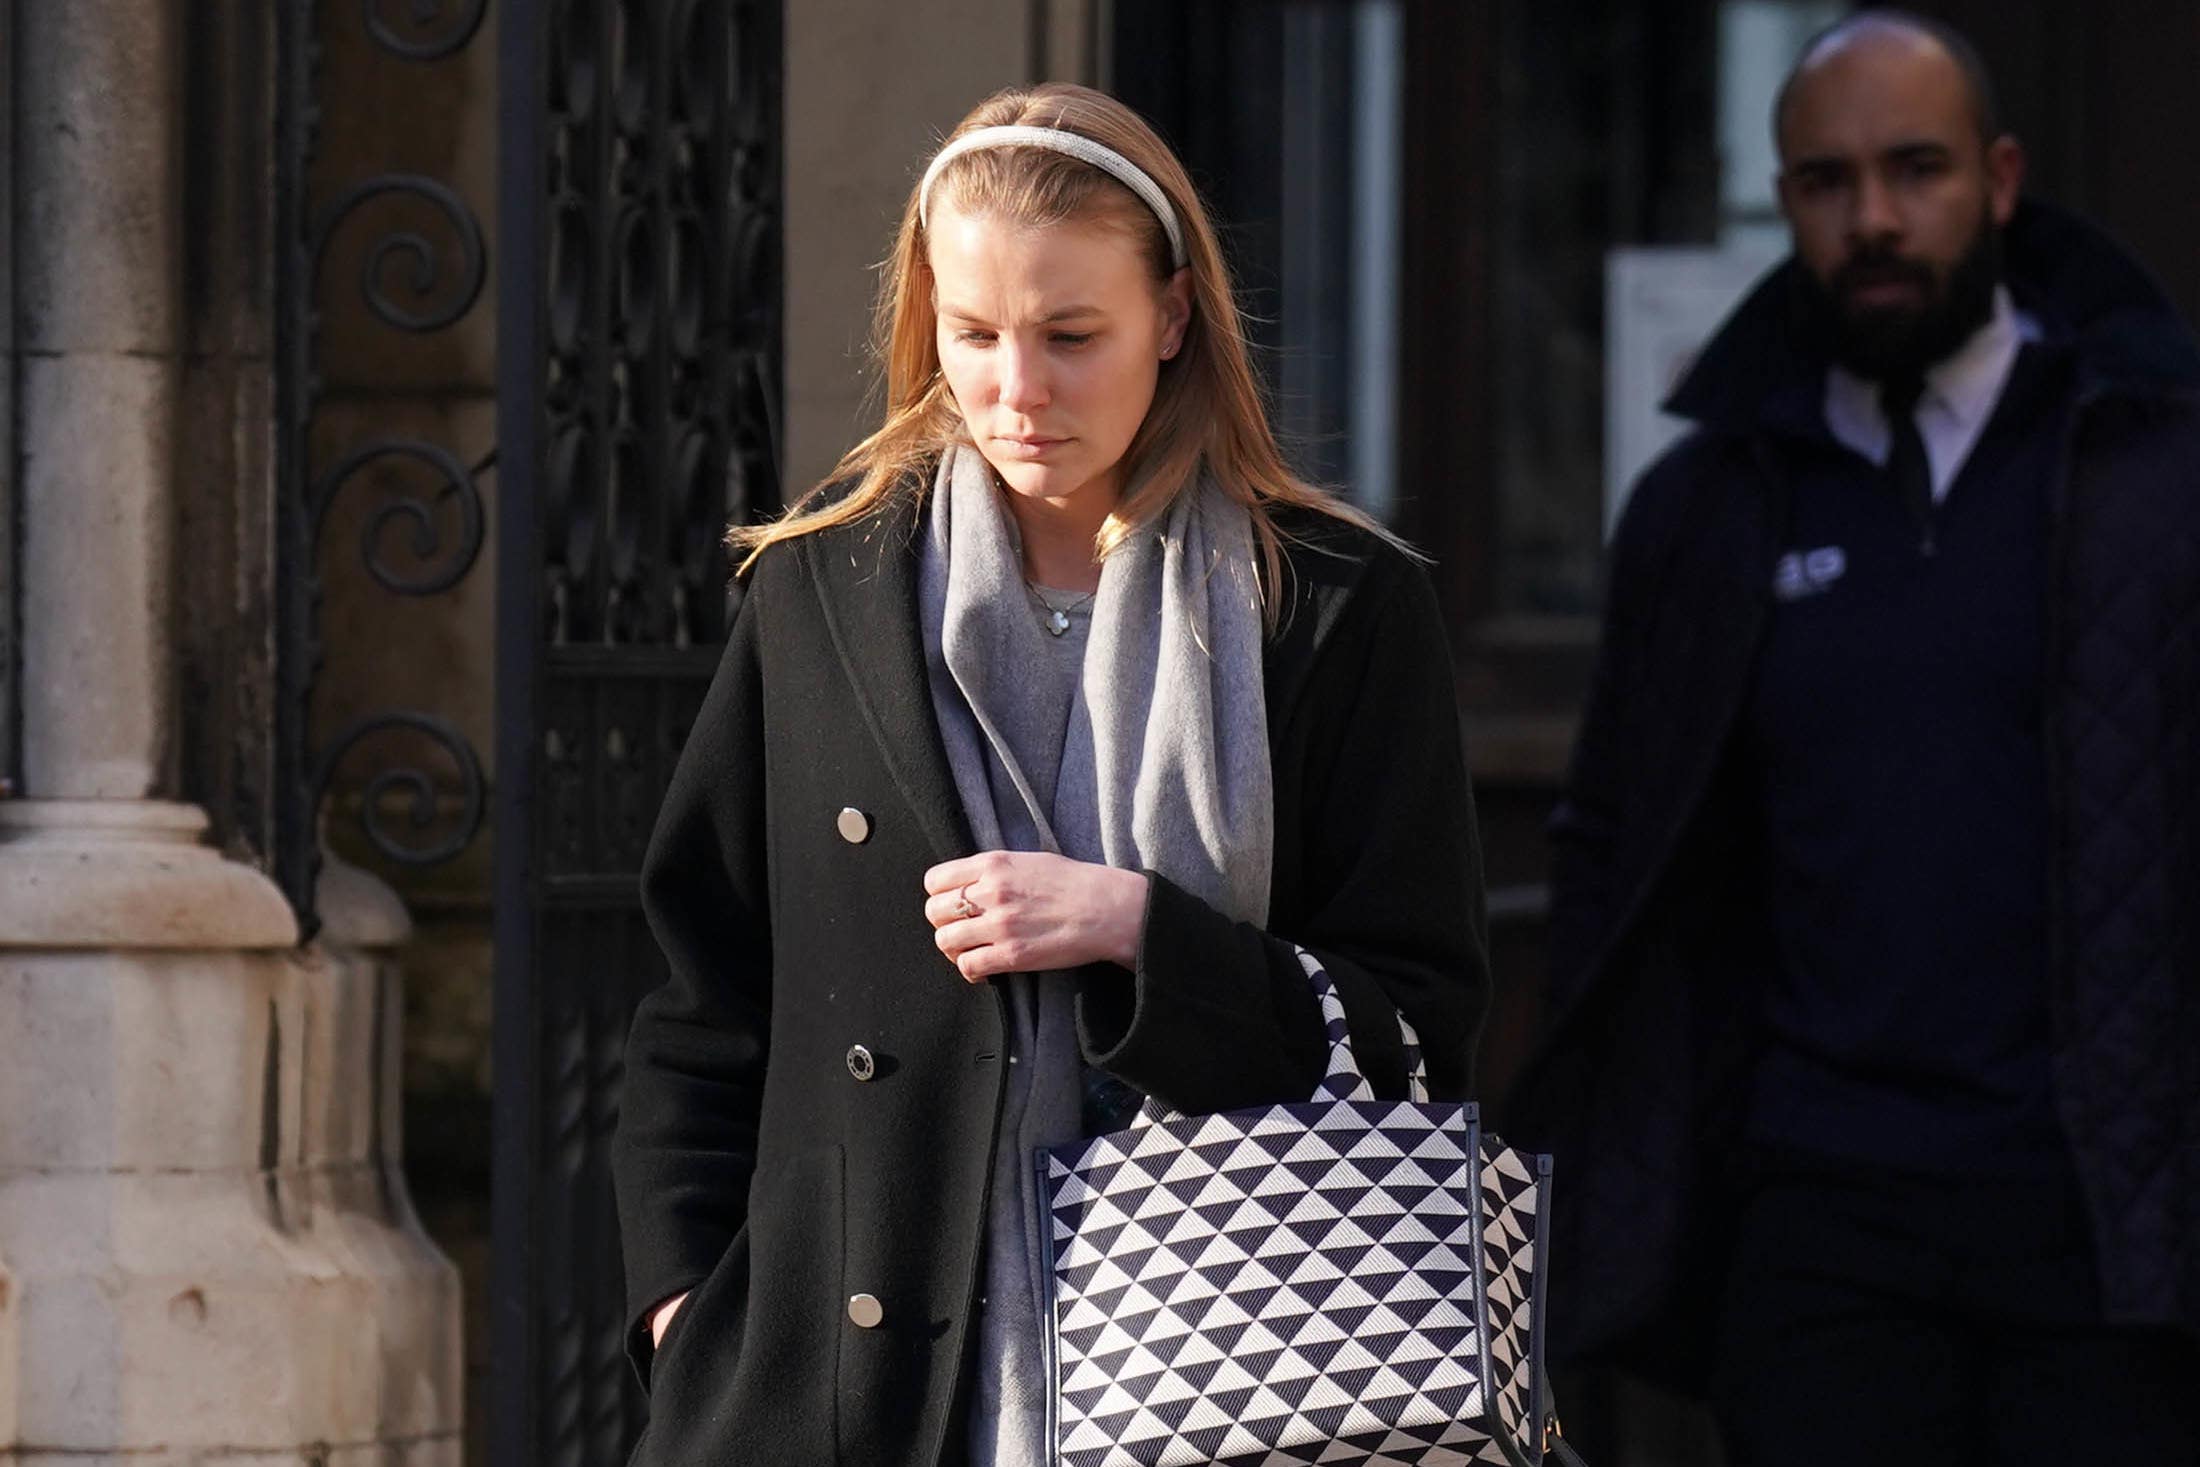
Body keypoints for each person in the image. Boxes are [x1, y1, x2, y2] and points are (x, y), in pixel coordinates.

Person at [610, 83, 1489, 1467]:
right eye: (974, 335)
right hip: (851, 1388)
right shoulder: (826, 592)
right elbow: (705, 996)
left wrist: (1137, 933)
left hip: (1235, 1374)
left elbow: (1420, 1026)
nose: (1017, 393)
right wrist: (686, 1306)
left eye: (1072, 337)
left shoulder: (1329, 606)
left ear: (1174, 317)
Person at [1509, 12, 2200, 1464]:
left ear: (2000, 181)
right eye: (1825, 182)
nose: (1873, 218)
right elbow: (1617, 847)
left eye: (1916, 169)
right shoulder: (1709, 504)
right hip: (1816, 1221)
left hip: (2101, 1221)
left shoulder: (2148, 468)